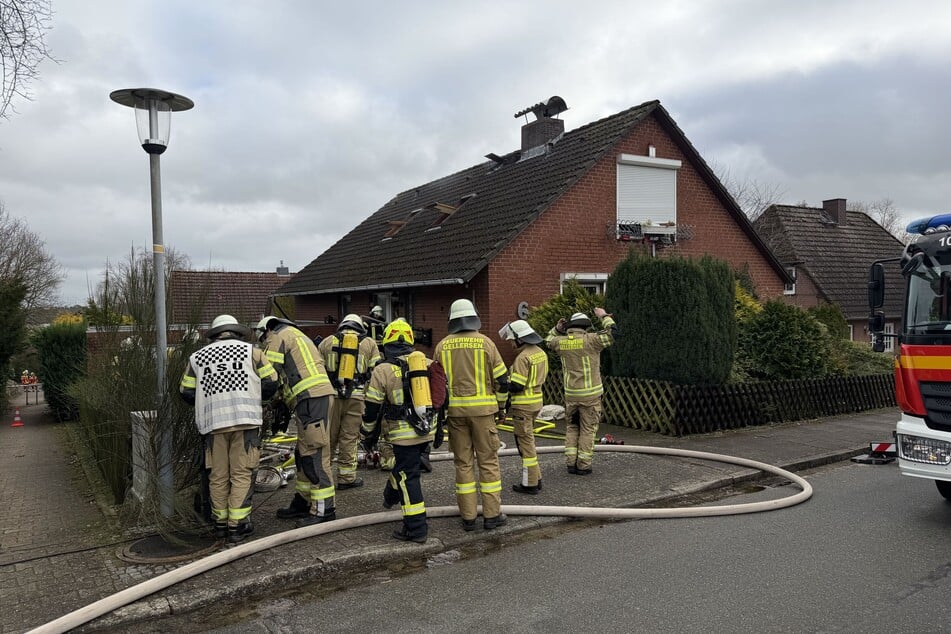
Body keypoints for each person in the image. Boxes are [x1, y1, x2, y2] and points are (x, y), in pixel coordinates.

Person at [179, 314, 279, 544]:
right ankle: (238, 525)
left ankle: (220, 524)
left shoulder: (197, 358)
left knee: (218, 475)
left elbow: (185, 391)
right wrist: (253, 398)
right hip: (245, 422)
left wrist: (208, 402)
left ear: (215, 334)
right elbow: (271, 383)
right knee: (242, 473)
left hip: (213, 426)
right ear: (236, 331)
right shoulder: (252, 352)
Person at [361, 320, 443, 543]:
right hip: (427, 429)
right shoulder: (427, 362)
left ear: (387, 342)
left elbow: (372, 409)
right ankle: (390, 495)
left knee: (409, 476)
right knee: (406, 467)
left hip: (402, 435)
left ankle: (416, 528)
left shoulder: (382, 370)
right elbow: (442, 399)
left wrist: (366, 434)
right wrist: (438, 432)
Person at [433, 299, 509, 531]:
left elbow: (436, 385)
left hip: (455, 415)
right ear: (473, 317)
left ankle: (468, 517)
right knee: (488, 462)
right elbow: (503, 380)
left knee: (463, 463)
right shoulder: (486, 343)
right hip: (484, 413)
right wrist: (502, 407)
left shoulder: (442, 346)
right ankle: (492, 515)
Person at [256, 315, 338, 526]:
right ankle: (303, 501)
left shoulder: (276, 336)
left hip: (311, 399)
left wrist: (260, 400)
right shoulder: (297, 336)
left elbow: (268, 373)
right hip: (312, 399)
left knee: (314, 454)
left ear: (266, 331)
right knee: (303, 453)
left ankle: (324, 509)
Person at [546, 307, 618, 475]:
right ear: (585, 327)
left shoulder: (561, 342)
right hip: (591, 396)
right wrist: (604, 316)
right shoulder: (592, 340)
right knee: (587, 429)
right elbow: (613, 333)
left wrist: (557, 328)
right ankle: (583, 465)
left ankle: (571, 463)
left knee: (572, 427)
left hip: (571, 395)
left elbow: (548, 339)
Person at [317, 314, 381, 490]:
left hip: (331, 397)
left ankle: (323, 477)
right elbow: (375, 371)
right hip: (357, 397)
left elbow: (317, 369)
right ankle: (346, 478)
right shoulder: (369, 343)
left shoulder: (326, 342)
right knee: (349, 438)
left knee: (328, 437)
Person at [499, 319, 548, 494]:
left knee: (524, 445)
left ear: (520, 338)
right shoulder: (540, 352)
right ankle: (537, 477)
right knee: (529, 440)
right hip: (536, 402)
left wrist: (504, 383)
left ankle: (530, 484)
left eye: (512, 340)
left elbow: (517, 386)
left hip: (523, 406)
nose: (511, 344)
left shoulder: (522, 357)